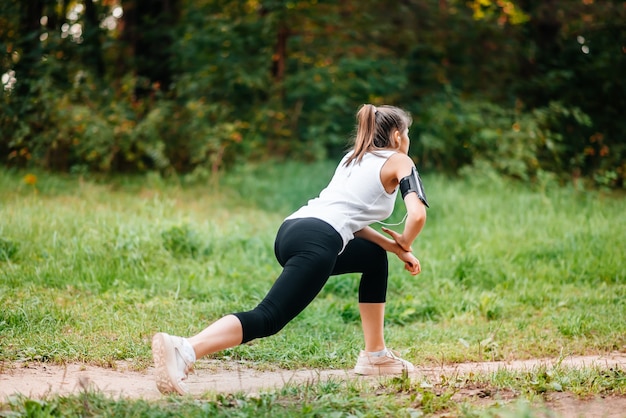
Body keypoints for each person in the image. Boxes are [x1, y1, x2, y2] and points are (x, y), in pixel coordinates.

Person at [151, 104, 429, 395]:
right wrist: (407, 242)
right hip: (318, 239)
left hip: (292, 230)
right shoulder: (400, 160)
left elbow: (350, 222)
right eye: (408, 133)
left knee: (373, 258)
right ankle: (184, 349)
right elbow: (417, 215)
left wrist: (394, 248)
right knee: (268, 317)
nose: (408, 140)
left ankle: (375, 356)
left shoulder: (353, 158)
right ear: (397, 136)